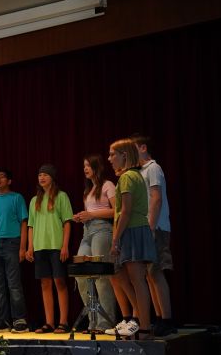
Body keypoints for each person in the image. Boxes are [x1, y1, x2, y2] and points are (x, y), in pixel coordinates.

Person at [107, 139, 157, 339]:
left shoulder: (127, 177)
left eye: (113, 154)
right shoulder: (134, 176)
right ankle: (140, 321)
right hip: (135, 229)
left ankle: (144, 326)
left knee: (138, 281)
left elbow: (125, 212)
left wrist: (115, 239)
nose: (110, 159)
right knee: (126, 277)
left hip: (133, 230)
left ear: (124, 155)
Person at [132, 134, 176, 337]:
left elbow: (156, 198)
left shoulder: (153, 168)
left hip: (156, 227)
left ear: (143, 148)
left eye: (133, 148)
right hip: (146, 228)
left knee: (156, 273)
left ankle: (167, 319)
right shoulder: (139, 172)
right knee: (149, 275)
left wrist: (150, 227)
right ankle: (159, 317)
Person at [72, 155, 118, 332]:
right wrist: (82, 216)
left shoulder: (108, 185)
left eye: (88, 165)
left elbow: (116, 211)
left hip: (102, 230)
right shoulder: (89, 190)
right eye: (84, 166)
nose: (85, 169)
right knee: (81, 274)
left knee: (101, 276)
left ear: (97, 167)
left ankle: (105, 322)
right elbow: (91, 212)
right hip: (88, 230)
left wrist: (91, 215)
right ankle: (92, 319)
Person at [26, 165, 73, 334]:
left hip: (56, 245)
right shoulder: (34, 200)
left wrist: (65, 245)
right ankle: (49, 322)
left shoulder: (61, 196)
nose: (41, 178)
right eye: (39, 175)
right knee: (45, 284)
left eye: (45, 174)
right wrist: (30, 247)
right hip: (40, 246)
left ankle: (63, 321)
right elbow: (31, 225)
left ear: (52, 177)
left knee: (59, 282)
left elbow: (67, 222)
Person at [0, 169, 29, 333]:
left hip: (12, 242)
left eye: (2, 176)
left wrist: (22, 247)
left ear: (9, 181)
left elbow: (23, 223)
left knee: (13, 284)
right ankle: (3, 320)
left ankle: (19, 319)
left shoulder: (16, 198)